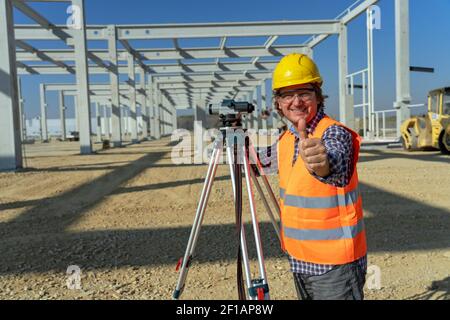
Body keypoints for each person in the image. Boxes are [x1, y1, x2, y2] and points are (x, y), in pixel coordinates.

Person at [260, 53, 367, 300]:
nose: (296, 102)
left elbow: (336, 166)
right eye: (287, 94)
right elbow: (258, 162)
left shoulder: (333, 133)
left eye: (304, 93)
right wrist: (231, 144)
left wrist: (321, 163)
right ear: (278, 102)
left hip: (334, 264)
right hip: (300, 258)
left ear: (317, 96)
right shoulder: (286, 139)